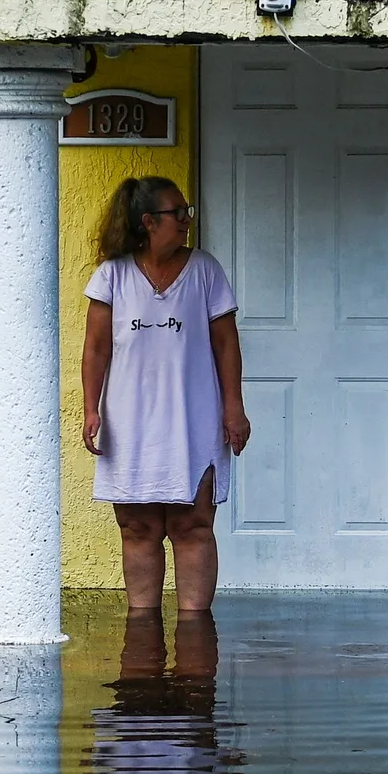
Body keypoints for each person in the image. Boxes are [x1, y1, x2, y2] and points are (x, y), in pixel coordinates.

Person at [81, 176, 249, 611]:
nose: (187, 220)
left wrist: (235, 407)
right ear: (149, 222)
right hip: (130, 420)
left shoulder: (205, 271)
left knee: (193, 523)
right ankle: (143, 643)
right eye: (179, 213)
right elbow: (96, 348)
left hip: (194, 418)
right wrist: (90, 409)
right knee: (137, 528)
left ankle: (196, 644)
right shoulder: (112, 276)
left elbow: (226, 343)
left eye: (186, 211)